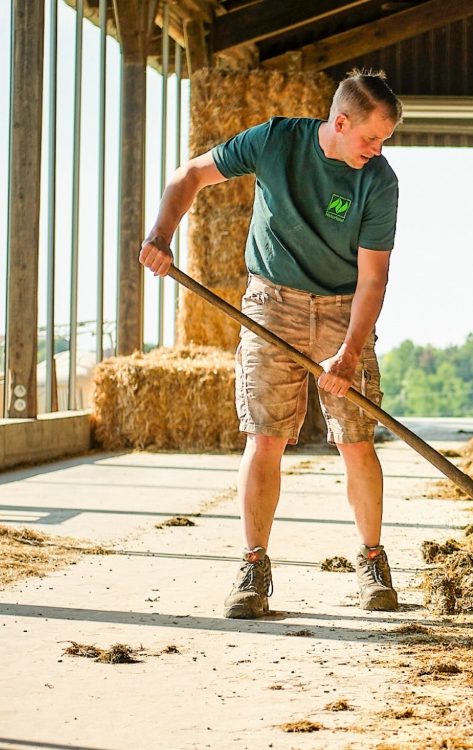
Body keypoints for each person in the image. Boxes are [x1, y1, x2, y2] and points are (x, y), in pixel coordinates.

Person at [138, 70, 403, 619]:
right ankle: (254, 566)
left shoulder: (378, 180)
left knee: (356, 438)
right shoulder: (275, 140)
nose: (377, 150)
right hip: (271, 304)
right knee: (265, 438)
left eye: (385, 141)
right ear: (341, 120)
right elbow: (189, 176)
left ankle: (372, 559)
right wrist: (161, 235)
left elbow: (373, 279)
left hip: (340, 307)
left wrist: (349, 354)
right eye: (371, 138)